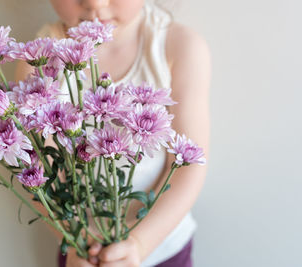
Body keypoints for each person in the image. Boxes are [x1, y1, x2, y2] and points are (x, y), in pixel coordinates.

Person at [15, 0, 210, 266]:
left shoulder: (178, 46)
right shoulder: (37, 57)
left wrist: (140, 244)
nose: (94, 3)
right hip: (79, 248)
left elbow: (190, 165)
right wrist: (76, 240)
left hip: (162, 247)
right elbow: (37, 174)